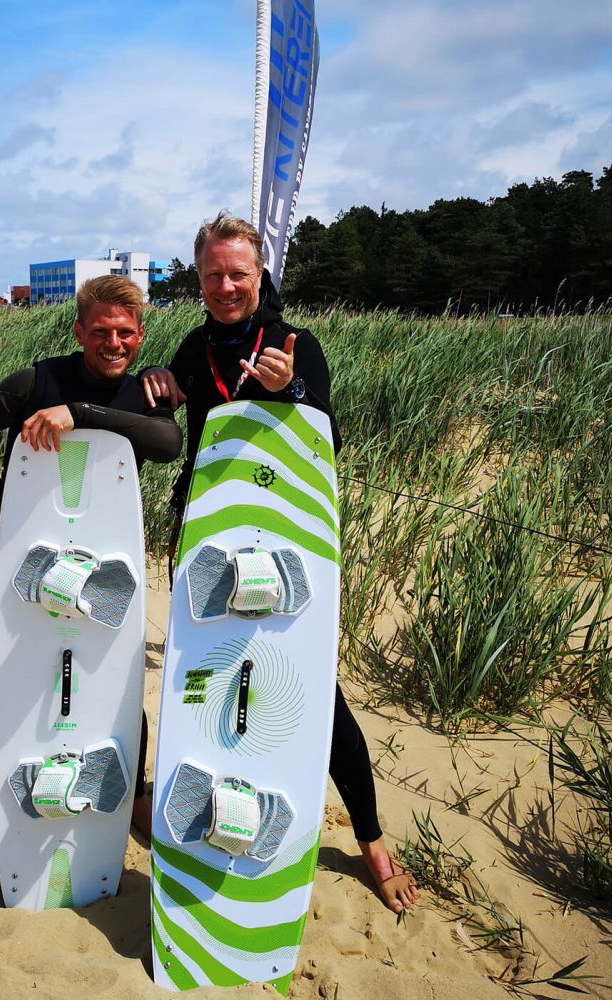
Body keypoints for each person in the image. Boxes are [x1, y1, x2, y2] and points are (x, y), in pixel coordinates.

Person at [141, 211, 419, 915]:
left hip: (286, 542)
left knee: (307, 685)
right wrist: (161, 384)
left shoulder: (297, 343)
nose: (226, 285)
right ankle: (223, 813)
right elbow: (173, 402)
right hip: (205, 536)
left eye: (238, 273)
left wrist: (289, 391)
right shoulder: (193, 344)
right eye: (212, 275)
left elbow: (327, 441)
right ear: (198, 278)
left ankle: (373, 841)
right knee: (207, 678)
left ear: (260, 273)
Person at [0, 274, 182, 878]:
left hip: (104, 576)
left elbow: (168, 442)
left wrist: (81, 414)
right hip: (25, 564)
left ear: (140, 335)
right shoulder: (40, 380)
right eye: (100, 332)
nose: (113, 343)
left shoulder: (147, 393)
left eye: (125, 332)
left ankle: (135, 796)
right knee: (11, 688)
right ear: (78, 331)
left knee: (118, 687)